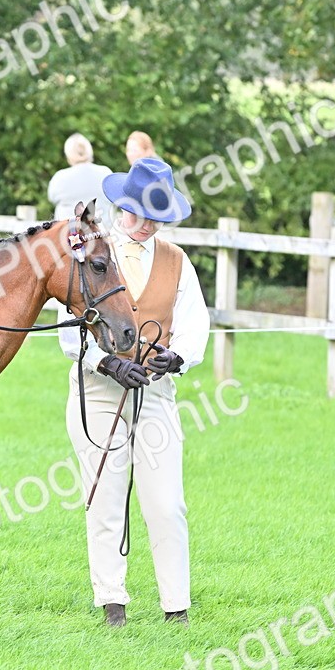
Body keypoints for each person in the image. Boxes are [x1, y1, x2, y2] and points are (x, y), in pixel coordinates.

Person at [58, 156, 210, 627]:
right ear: (121, 207)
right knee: (104, 492)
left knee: (166, 502)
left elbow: (195, 327)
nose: (143, 225)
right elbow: (69, 332)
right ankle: (112, 605)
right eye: (135, 213)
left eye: (153, 217)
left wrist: (178, 358)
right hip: (100, 390)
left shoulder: (177, 262)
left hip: (156, 391)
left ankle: (176, 609)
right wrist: (105, 362)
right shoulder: (91, 252)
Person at [47, 133, 112, 221]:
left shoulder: (60, 177)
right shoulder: (105, 173)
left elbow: (52, 198)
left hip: (67, 232)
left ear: (68, 154)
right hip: (101, 231)